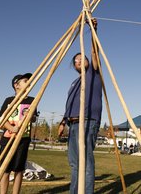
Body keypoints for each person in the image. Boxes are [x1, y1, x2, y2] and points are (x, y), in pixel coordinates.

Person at [58, 18, 102, 194]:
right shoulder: (74, 83)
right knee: (75, 163)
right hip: (73, 124)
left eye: (81, 58)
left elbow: (94, 52)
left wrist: (93, 30)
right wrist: (63, 122)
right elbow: (69, 105)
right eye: (75, 60)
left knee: (86, 162)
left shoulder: (93, 74)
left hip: (87, 121)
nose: (78, 61)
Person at [0, 73, 37, 194]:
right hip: (8, 138)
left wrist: (30, 116)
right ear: (16, 85)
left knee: (19, 169)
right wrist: (11, 128)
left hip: (23, 139)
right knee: (5, 169)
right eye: (25, 81)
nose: (28, 82)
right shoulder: (9, 100)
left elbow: (34, 119)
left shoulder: (32, 100)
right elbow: (2, 119)